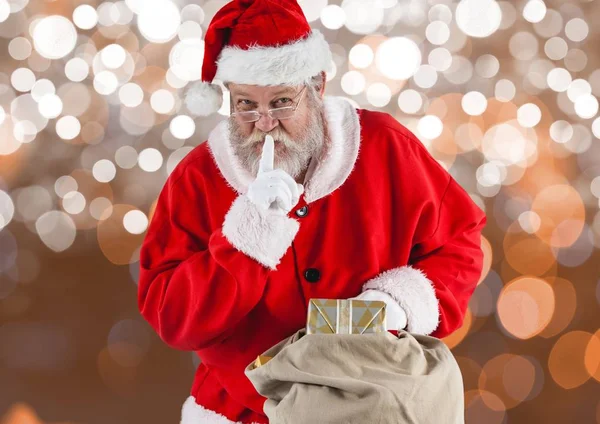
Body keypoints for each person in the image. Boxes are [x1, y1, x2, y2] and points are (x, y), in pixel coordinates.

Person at [137, 0, 487, 423]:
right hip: (244, 411)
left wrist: (396, 303)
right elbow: (170, 314)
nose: (264, 124)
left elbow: (460, 245)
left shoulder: (385, 146)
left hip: (375, 401)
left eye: (282, 102)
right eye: (245, 105)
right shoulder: (197, 177)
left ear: (318, 85)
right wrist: (245, 243)